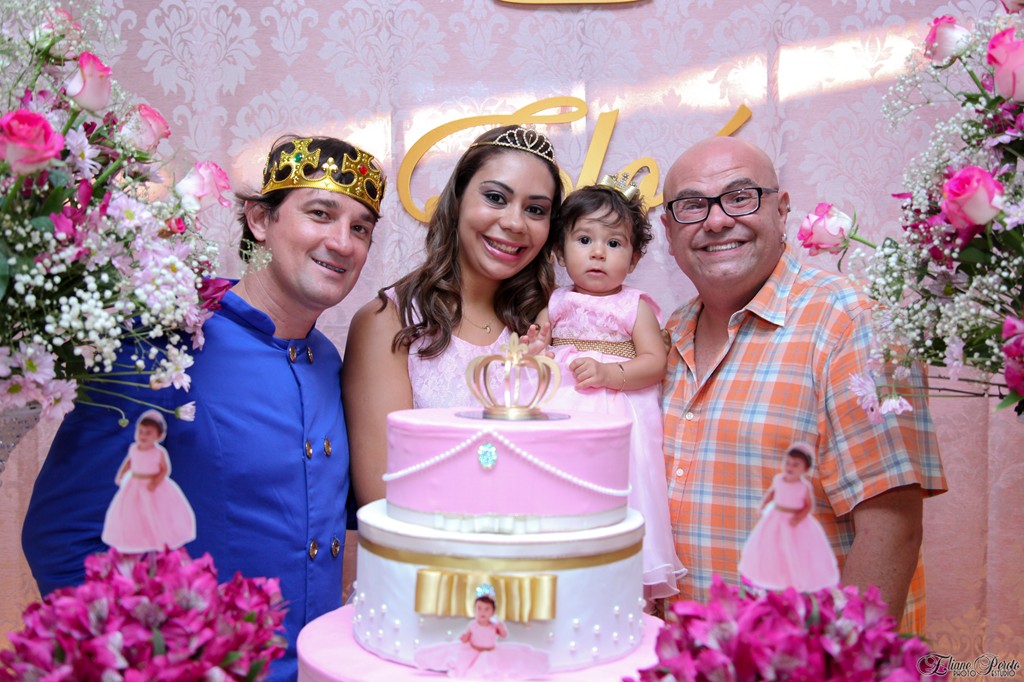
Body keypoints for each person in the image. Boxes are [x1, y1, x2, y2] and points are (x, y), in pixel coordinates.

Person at [23, 134, 386, 681]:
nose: (342, 242)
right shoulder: (166, 343)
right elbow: (61, 536)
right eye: (320, 213)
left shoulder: (328, 361)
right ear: (260, 220)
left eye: (360, 228)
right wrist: (140, 664)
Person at [659, 135, 946, 634]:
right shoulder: (666, 335)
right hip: (683, 655)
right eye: (691, 206)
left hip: (803, 659)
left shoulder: (852, 321)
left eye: (740, 197)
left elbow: (892, 529)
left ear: (782, 209)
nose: (717, 220)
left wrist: (842, 661)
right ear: (668, 229)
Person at [344, 124, 562, 506]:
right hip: (432, 541)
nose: (515, 222)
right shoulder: (389, 322)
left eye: (535, 210)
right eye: (495, 197)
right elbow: (382, 496)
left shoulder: (555, 320)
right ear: (458, 198)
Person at [527, 173, 685, 601]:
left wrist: (608, 374)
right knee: (557, 484)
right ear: (559, 251)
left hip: (617, 409)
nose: (598, 252)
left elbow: (654, 362)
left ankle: (618, 580)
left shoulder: (634, 305)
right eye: (584, 240)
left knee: (619, 485)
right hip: (562, 407)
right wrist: (535, 349)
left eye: (614, 243)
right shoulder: (555, 301)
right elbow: (537, 344)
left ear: (633, 259)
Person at [737, 442, 839, 592]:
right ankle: (773, 576)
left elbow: (808, 506)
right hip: (776, 517)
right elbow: (772, 493)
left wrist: (799, 517)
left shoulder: (803, 487)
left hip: (794, 521)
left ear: (805, 469)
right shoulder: (778, 479)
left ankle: (795, 579)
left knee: (795, 550)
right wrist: (764, 504)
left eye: (795, 465)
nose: (790, 467)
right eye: (788, 463)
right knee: (772, 547)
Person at [101, 409, 196, 553]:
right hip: (135, 484)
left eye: (148, 433)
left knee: (156, 513)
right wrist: (120, 475)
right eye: (140, 431)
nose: (143, 436)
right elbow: (128, 463)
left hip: (153, 485)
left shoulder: (159, 452)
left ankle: (156, 540)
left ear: (159, 436)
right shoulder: (133, 448)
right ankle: (136, 539)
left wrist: (156, 482)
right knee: (132, 513)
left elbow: (165, 469)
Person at [413, 584, 550, 678]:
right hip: (473, 651)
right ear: (474, 610)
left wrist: (501, 626)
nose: (482, 612)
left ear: (493, 612)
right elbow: (467, 638)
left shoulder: (493, 625)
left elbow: (504, 635)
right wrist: (464, 638)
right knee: (447, 654)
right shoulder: (473, 624)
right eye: (479, 608)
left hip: (491, 652)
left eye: (486, 609)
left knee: (514, 659)